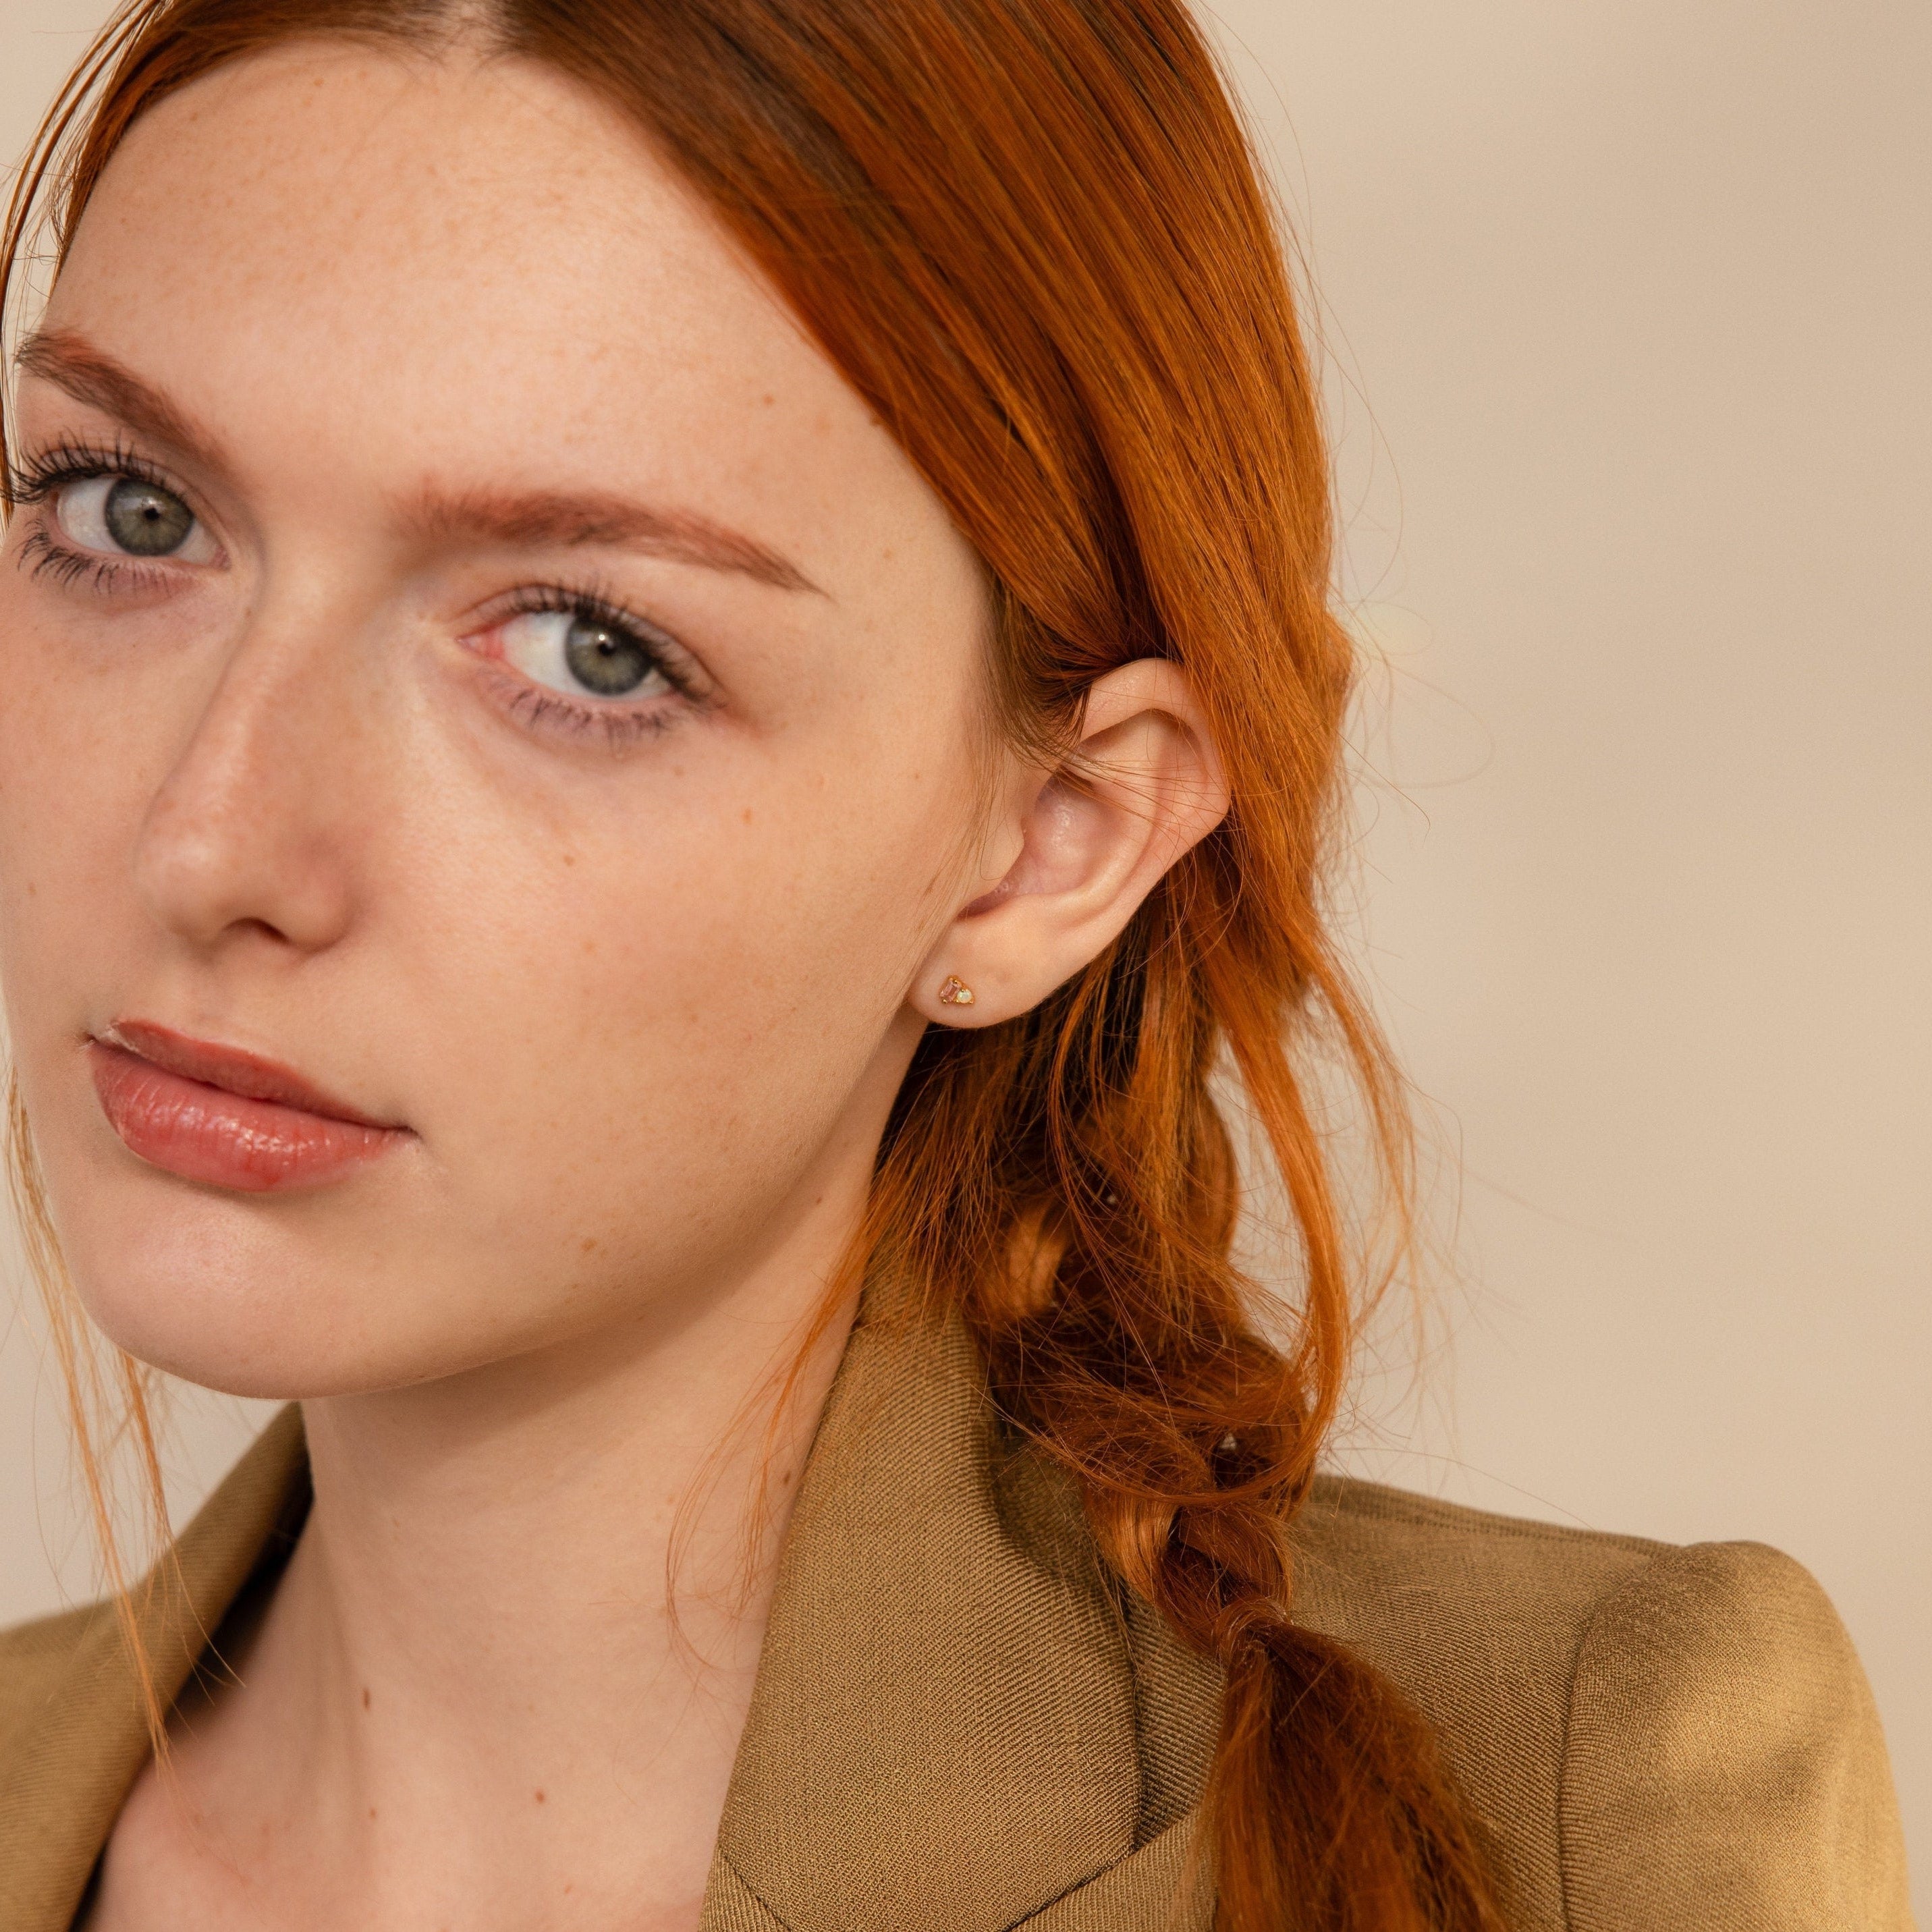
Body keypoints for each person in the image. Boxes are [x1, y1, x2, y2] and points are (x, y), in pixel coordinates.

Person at [0, 1, 1910, 1927]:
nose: (207, 844)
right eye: (126, 514)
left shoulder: (1561, 1805)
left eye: (591, 648)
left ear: (1050, 843)